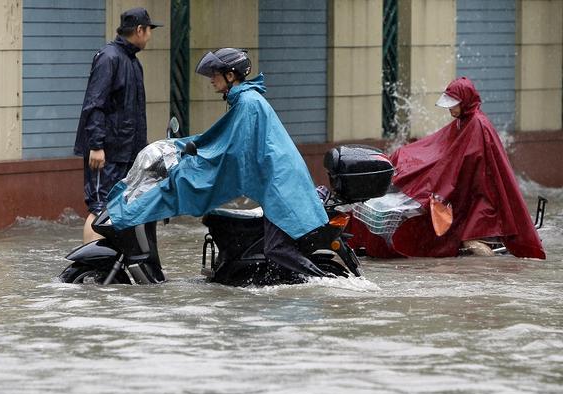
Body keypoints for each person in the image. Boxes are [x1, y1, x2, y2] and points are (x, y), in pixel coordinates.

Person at [108, 48, 330, 278]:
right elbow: (221, 141)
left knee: (276, 248)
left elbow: (231, 152)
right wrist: (183, 150)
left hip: (281, 184)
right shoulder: (244, 100)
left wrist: (193, 167)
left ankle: (327, 284)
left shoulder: (248, 102)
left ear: (231, 75)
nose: (211, 80)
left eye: (215, 74)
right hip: (275, 180)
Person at [348, 76, 545, 259]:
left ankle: (488, 279)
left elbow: (462, 163)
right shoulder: (464, 121)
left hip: (481, 199)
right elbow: (439, 148)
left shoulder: (477, 125)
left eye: (453, 105)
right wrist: (408, 156)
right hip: (470, 194)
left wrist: (439, 186)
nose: (449, 110)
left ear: (465, 102)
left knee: (471, 241)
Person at [74, 7, 162, 243]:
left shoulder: (132, 61)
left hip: (126, 152)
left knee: (116, 206)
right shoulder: (109, 57)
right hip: (107, 152)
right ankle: (89, 267)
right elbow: (94, 104)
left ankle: (110, 266)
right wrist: (96, 145)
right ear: (140, 30)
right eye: (149, 30)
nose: (150, 36)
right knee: (100, 207)